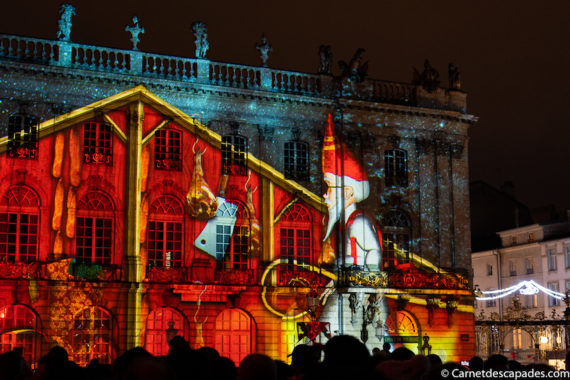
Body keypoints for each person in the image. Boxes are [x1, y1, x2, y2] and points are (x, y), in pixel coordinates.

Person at [321, 113, 382, 272]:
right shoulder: (342, 226)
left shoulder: (358, 223)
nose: (325, 194)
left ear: (348, 192)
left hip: (359, 291)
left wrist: (369, 285)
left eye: (329, 186)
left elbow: (374, 252)